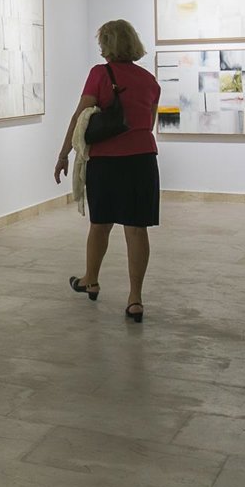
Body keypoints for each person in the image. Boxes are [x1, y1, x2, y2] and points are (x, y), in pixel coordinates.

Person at [53, 19, 160, 323]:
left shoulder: (100, 74)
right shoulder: (149, 80)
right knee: (136, 229)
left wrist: (63, 154)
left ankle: (91, 280)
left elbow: (80, 118)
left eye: (102, 42)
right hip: (142, 160)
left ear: (108, 44)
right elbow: (149, 124)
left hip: (106, 161)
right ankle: (135, 299)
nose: (99, 47)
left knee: (100, 224)